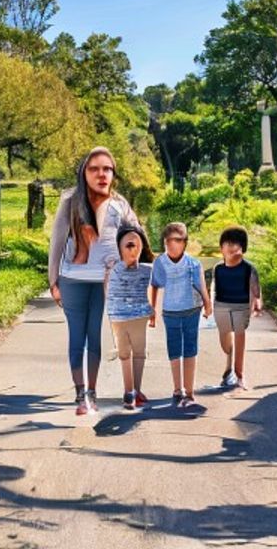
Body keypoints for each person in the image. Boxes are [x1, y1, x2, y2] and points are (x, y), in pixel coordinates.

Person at [48, 147, 139, 415]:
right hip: (72, 279)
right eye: (94, 169)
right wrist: (53, 281)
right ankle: (79, 395)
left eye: (107, 169)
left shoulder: (119, 204)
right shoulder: (70, 201)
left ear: (113, 173)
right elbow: (56, 242)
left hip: (104, 282)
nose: (101, 174)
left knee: (94, 336)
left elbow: (136, 236)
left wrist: (130, 266)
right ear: (84, 173)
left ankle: (92, 393)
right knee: (77, 336)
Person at [148, 222, 212, 408]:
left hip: (192, 310)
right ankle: (178, 389)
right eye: (168, 241)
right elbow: (155, 285)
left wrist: (208, 305)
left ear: (184, 242)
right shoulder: (160, 263)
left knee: (190, 348)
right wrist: (152, 310)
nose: (172, 244)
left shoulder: (193, 263)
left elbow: (201, 286)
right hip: (170, 312)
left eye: (176, 240)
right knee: (174, 349)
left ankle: (189, 392)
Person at [104, 225, 155, 410]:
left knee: (139, 352)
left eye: (138, 245)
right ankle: (128, 391)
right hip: (118, 317)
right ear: (119, 249)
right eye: (129, 245)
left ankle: (137, 390)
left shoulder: (147, 270)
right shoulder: (113, 268)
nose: (134, 249)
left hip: (140, 316)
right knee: (124, 353)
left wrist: (153, 310)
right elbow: (106, 290)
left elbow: (157, 288)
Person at [212, 225, 262, 390]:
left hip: (241, 306)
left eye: (236, 244)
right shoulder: (217, 268)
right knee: (224, 338)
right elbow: (207, 286)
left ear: (243, 248)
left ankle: (239, 374)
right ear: (222, 248)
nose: (232, 247)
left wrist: (257, 302)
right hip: (221, 306)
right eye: (228, 244)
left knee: (240, 336)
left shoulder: (249, 268)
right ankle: (229, 366)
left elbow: (255, 287)